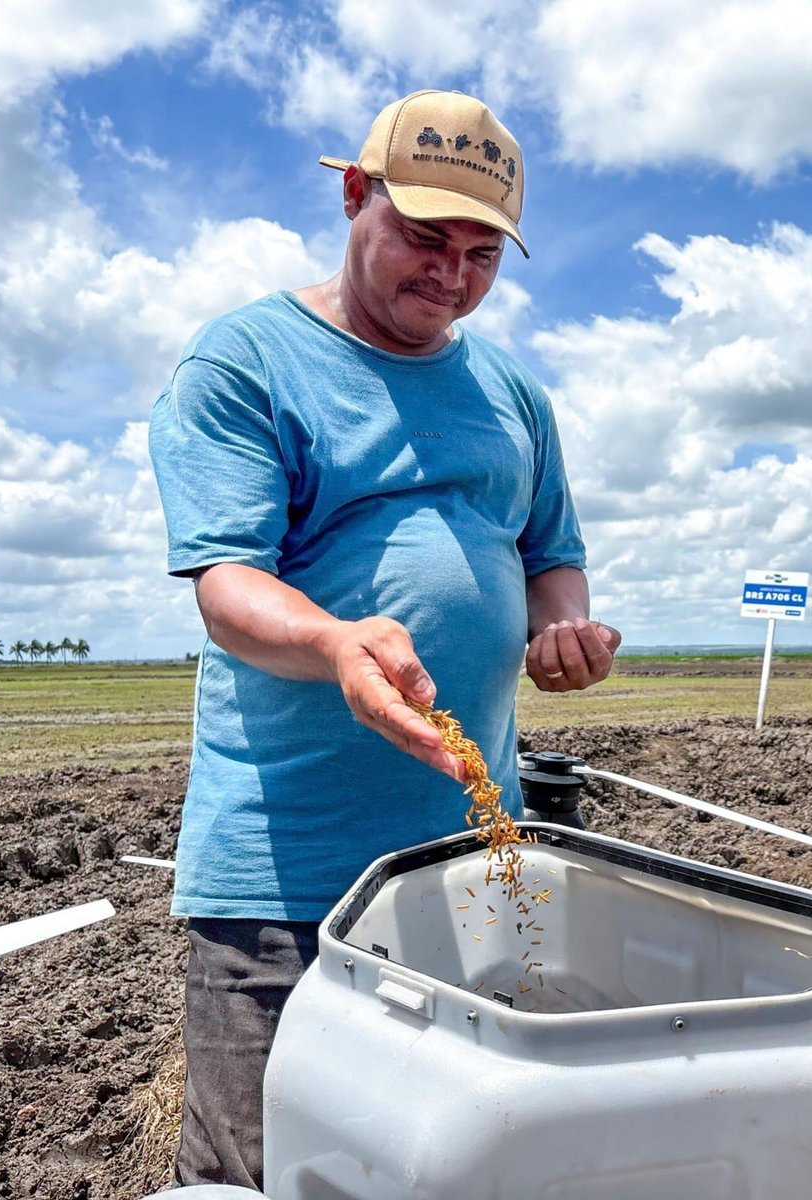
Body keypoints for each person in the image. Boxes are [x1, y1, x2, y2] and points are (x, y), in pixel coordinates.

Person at [148, 89, 620, 1188]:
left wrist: (563, 632)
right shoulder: (245, 362)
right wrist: (337, 644)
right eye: (422, 239)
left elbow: (550, 553)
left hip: (465, 859)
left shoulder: (512, 392)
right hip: (287, 876)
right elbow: (228, 586)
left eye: (480, 253)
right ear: (354, 196)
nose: (450, 277)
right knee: (263, 1171)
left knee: (444, 1157)